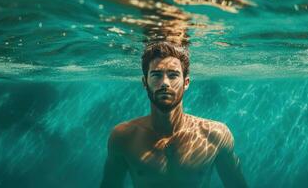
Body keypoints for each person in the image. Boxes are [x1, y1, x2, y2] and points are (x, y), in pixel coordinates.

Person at [100, 42, 248, 188]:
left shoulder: (215, 135)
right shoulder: (123, 136)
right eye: (157, 75)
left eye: (173, 75)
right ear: (145, 82)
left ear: (186, 82)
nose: (165, 83)